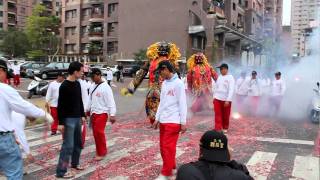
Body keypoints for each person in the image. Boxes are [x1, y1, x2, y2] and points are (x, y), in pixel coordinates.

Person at [0, 60, 53, 180]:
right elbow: (24, 107)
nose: (6, 80)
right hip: (3, 138)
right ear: (1, 71)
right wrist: (44, 115)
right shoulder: (4, 89)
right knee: (14, 172)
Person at [121, 41, 181, 125]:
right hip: (165, 91)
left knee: (153, 108)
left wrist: (130, 89)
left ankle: (156, 121)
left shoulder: (151, 61)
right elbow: (178, 77)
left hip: (153, 91)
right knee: (165, 107)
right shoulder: (172, 62)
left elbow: (140, 75)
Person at [152, 60, 187, 180]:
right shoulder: (165, 83)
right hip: (164, 120)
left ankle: (165, 173)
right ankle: (171, 167)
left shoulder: (178, 84)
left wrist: (183, 122)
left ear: (167, 69)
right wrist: (157, 118)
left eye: (161, 71)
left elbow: (182, 104)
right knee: (163, 147)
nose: (160, 74)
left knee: (168, 147)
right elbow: (162, 103)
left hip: (174, 120)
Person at [176, 130, 253, 180]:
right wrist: (240, 169)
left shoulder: (185, 170)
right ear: (226, 151)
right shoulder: (239, 176)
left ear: (201, 149)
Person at [56, 61, 86, 179]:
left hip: (77, 118)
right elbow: (60, 106)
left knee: (78, 143)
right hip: (68, 120)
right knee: (68, 146)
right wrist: (61, 123)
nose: (83, 73)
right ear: (75, 72)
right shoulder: (64, 86)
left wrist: (82, 115)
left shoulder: (77, 84)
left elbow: (80, 101)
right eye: (81, 71)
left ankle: (75, 163)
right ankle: (61, 172)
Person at [87, 68, 116, 161]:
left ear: (99, 75)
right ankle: (99, 151)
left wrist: (112, 114)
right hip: (93, 113)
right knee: (95, 133)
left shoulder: (106, 87)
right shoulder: (92, 86)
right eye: (91, 77)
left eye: (93, 76)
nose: (92, 78)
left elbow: (111, 101)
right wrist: (86, 109)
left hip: (102, 113)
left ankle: (102, 152)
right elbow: (90, 99)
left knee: (99, 132)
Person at [213, 63, 235, 133]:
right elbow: (216, 88)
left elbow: (231, 89)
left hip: (226, 99)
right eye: (220, 69)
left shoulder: (230, 78)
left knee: (225, 115)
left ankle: (225, 127)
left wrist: (228, 100)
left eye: (222, 69)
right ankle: (218, 128)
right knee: (217, 114)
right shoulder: (219, 77)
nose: (220, 70)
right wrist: (214, 97)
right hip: (217, 99)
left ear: (226, 69)